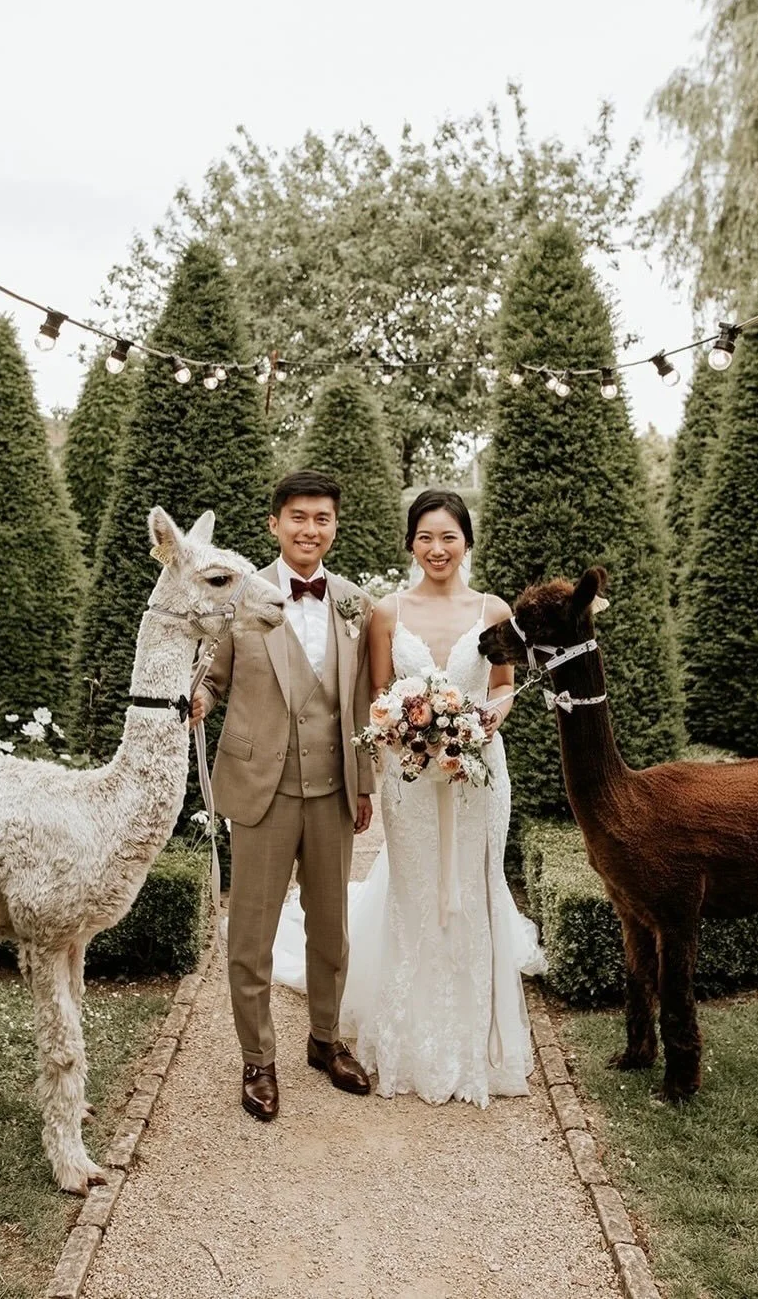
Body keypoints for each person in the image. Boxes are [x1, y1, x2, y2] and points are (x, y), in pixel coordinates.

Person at [274, 488, 544, 1107]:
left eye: (448, 536)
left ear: (467, 542)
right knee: (418, 890)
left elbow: (504, 685)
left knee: (475, 888)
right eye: (425, 537)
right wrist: (406, 734)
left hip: (480, 772)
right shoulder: (385, 612)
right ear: (410, 544)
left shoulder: (494, 609)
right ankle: (410, 1035)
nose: (437, 548)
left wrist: (482, 722)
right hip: (411, 778)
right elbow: (376, 692)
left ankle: (477, 1039)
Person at [192, 470, 376, 1122]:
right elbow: (210, 677)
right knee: (251, 936)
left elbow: (361, 704)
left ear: (334, 526)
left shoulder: (355, 602)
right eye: (298, 516)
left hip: (332, 792)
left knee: (333, 932)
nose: (309, 529)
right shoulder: (238, 598)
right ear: (274, 524)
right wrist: (196, 699)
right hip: (261, 791)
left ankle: (325, 1042)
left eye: (321, 517)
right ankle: (258, 1059)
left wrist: (365, 784)